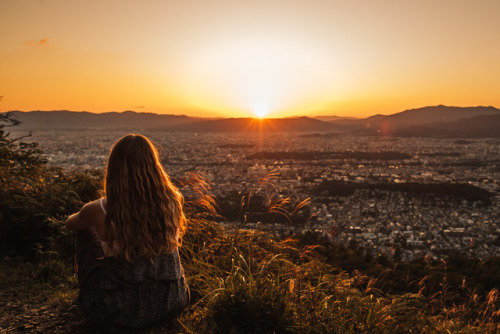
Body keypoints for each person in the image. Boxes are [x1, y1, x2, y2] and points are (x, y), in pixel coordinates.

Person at [65, 134, 189, 333]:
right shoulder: (171, 201)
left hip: (118, 312)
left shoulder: (101, 209)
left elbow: (70, 224)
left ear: (114, 168)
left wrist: (89, 215)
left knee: (85, 232)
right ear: (153, 165)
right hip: (172, 301)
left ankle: (89, 295)